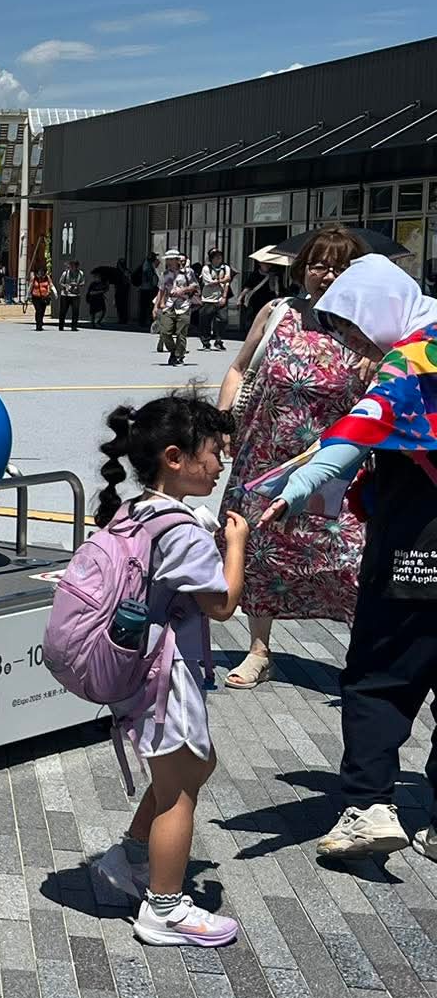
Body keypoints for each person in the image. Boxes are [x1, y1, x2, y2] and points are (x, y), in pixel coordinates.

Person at [253, 256, 437, 862]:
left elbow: (356, 435)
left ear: (376, 309)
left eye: (352, 328)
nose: (350, 343)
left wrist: (294, 490)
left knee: (381, 674)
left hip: (416, 544)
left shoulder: (409, 361)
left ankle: (369, 805)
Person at [85, 395, 247, 946]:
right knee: (179, 791)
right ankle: (164, 908)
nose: (221, 464)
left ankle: (129, 857)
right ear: (175, 458)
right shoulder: (181, 530)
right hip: (164, 672)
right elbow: (221, 604)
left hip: (137, 663)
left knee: (194, 766)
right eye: (214, 452)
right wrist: (235, 545)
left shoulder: (138, 509)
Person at [215, 227, 368, 690]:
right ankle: (259, 650)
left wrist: (379, 358)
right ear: (302, 269)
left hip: (337, 467)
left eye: (340, 267)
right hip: (265, 457)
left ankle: (363, 658)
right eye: (319, 265)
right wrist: (222, 421)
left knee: (352, 560)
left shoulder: (370, 328)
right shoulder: (278, 312)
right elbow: (239, 367)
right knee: (259, 552)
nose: (328, 275)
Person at [154, 249, 195, 366]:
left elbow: (194, 286)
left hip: (184, 305)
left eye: (171, 259)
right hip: (169, 306)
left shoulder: (188, 272)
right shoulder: (165, 274)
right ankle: (173, 351)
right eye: (167, 260)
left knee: (181, 333)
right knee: (165, 332)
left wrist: (183, 290)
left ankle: (179, 356)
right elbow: (161, 290)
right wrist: (157, 306)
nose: (168, 262)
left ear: (177, 260)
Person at [197, 248, 233, 351]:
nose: (218, 259)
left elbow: (227, 282)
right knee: (205, 321)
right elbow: (209, 282)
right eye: (215, 257)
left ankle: (218, 340)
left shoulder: (225, 268)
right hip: (208, 299)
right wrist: (222, 280)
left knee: (223, 319)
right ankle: (206, 342)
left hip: (220, 297)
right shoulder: (206, 268)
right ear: (211, 259)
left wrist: (224, 297)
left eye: (219, 257)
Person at [58, 258, 87, 331]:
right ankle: (61, 325)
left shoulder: (80, 273)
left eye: (74, 265)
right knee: (63, 311)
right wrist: (66, 286)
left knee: (75, 311)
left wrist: (77, 285)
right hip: (65, 295)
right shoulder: (65, 273)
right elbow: (60, 283)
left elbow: (83, 282)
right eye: (71, 265)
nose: (72, 267)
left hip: (76, 295)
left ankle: (74, 326)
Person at [135, 254, 158, 328]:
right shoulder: (147, 266)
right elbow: (149, 277)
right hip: (147, 289)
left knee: (144, 306)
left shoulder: (145, 265)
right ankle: (144, 321)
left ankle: (143, 321)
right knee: (146, 306)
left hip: (144, 288)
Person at [29, 263, 52, 330]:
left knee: (42, 311)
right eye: (40, 271)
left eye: (42, 271)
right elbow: (30, 287)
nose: (41, 272)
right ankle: (38, 325)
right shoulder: (34, 278)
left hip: (44, 297)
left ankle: (40, 322)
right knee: (38, 310)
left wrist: (54, 292)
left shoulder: (47, 278)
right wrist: (27, 296)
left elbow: (51, 284)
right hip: (36, 297)